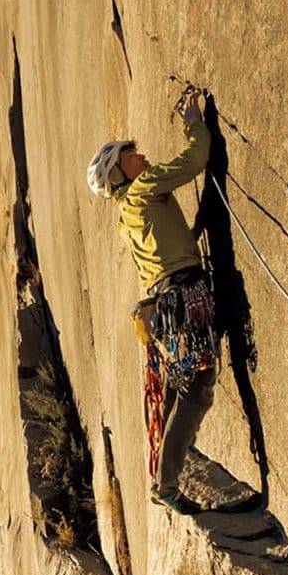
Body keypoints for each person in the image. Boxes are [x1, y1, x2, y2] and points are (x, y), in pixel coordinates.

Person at [87, 88, 217, 508]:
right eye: (130, 155)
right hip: (183, 296)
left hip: (168, 302)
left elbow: (162, 242)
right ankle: (167, 484)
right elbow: (194, 161)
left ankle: (170, 469)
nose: (140, 156)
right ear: (119, 173)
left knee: (185, 385)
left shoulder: (126, 214)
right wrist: (194, 122)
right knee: (197, 387)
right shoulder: (142, 188)